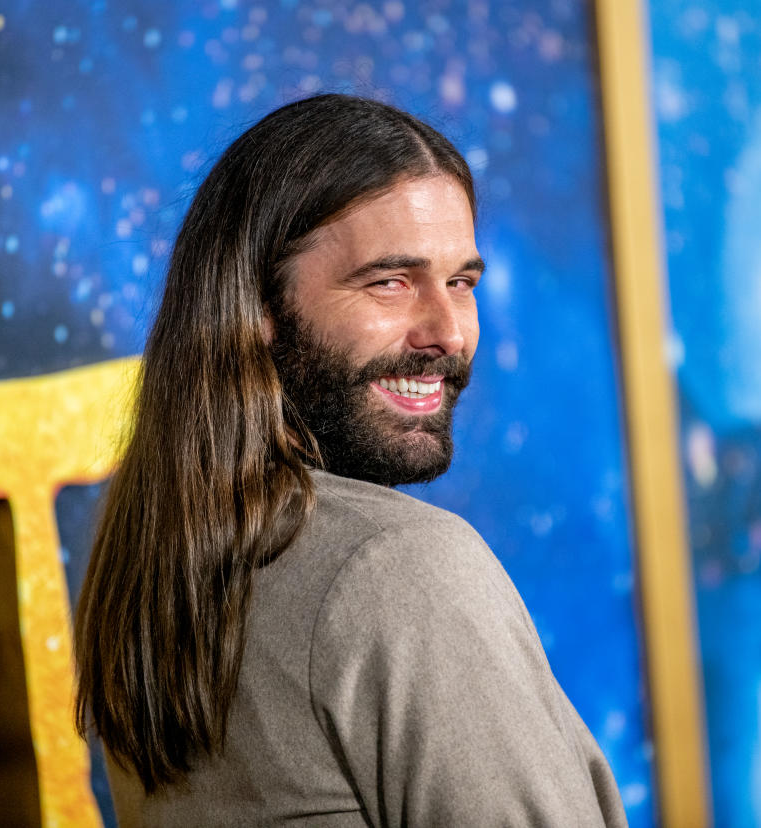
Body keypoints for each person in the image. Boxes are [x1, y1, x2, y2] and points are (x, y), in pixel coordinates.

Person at [74, 94, 628, 827]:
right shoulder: (400, 566)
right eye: (390, 282)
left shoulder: (153, 557)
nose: (447, 332)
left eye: (462, 282)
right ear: (257, 304)